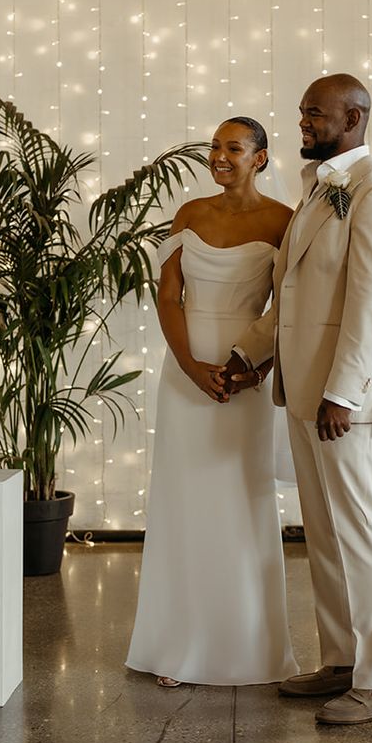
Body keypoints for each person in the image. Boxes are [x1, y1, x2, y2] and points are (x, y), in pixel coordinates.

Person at [225, 74, 372, 725]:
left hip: (346, 401)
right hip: (303, 394)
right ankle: (342, 662)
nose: (302, 122)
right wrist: (248, 353)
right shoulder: (316, 191)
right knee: (327, 537)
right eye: (302, 111)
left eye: (315, 114)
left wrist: (341, 394)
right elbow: (293, 300)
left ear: (355, 117)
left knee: (360, 536)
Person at [125, 117, 299, 687]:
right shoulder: (190, 215)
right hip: (185, 376)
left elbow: (287, 311)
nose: (219, 156)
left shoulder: (284, 222)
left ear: (261, 159)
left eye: (234, 148)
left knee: (240, 505)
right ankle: (179, 647)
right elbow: (168, 295)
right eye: (215, 147)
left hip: (241, 379)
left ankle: (249, 645)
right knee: (184, 505)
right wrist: (187, 367)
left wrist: (254, 368)